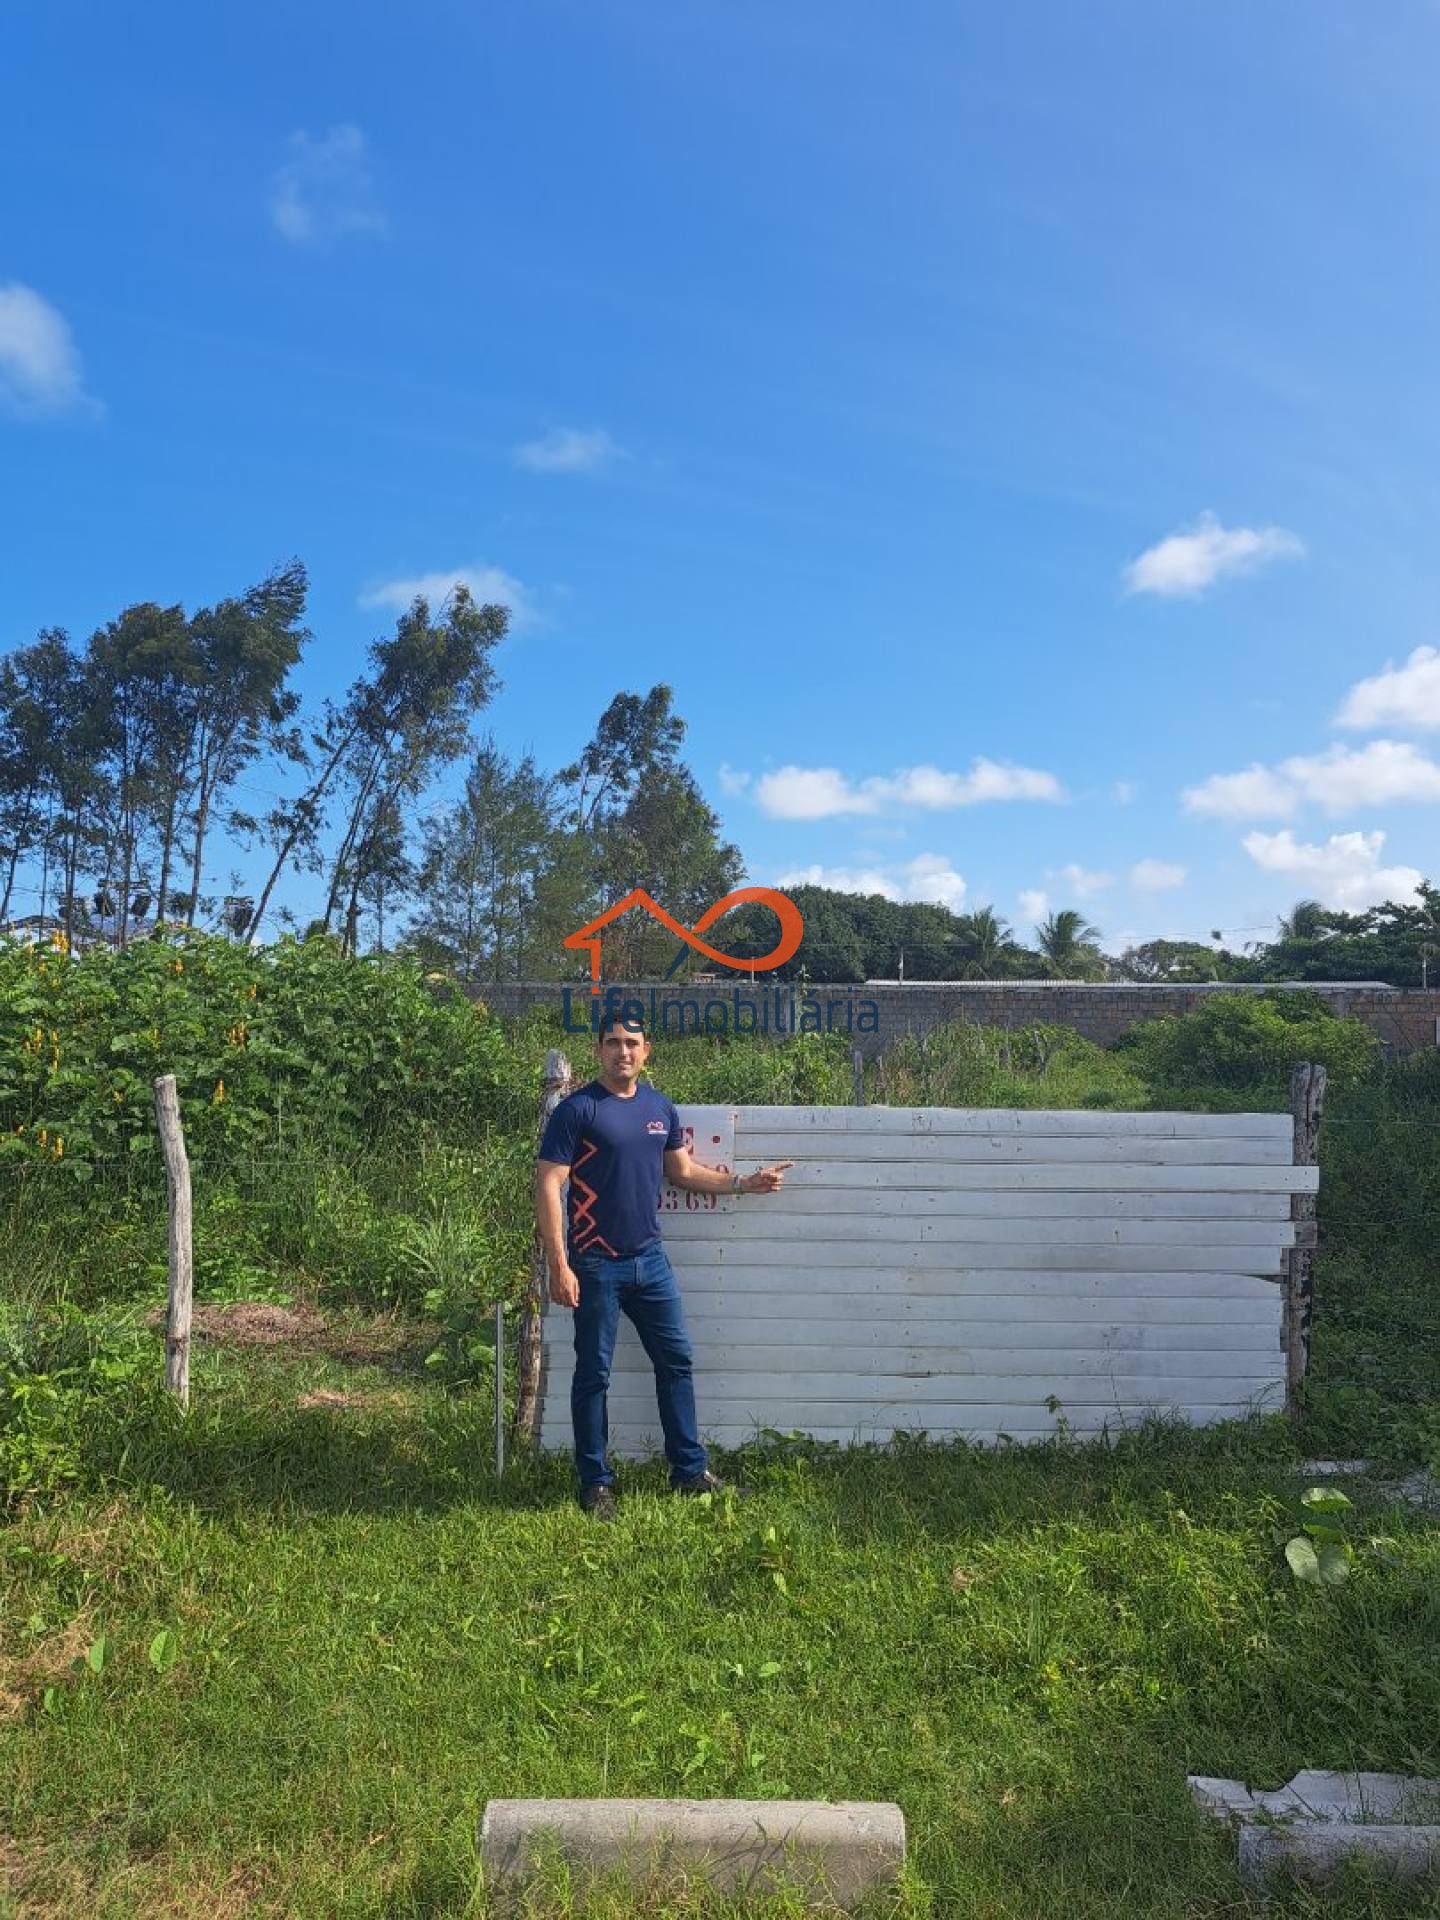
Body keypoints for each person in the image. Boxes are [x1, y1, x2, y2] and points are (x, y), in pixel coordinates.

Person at [534, 1008, 793, 1517]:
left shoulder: (660, 1108)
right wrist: (558, 1264)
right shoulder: (578, 1110)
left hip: (650, 1262)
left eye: (632, 1044)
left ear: (646, 1051)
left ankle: (690, 1472)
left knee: (676, 1363)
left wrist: (744, 1183)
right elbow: (548, 1183)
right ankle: (596, 1483)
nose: (623, 1052)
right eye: (613, 1043)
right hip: (595, 1264)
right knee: (593, 1374)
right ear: (598, 1051)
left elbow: (683, 1171)